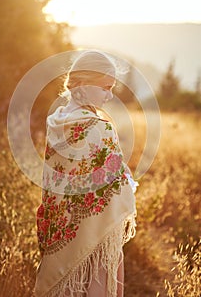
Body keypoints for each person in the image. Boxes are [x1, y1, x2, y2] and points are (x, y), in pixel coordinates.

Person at [34, 49, 138, 297]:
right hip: (97, 231)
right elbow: (118, 182)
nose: (109, 95)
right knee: (95, 284)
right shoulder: (99, 127)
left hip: (61, 225)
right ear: (83, 82)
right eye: (105, 87)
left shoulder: (57, 120)